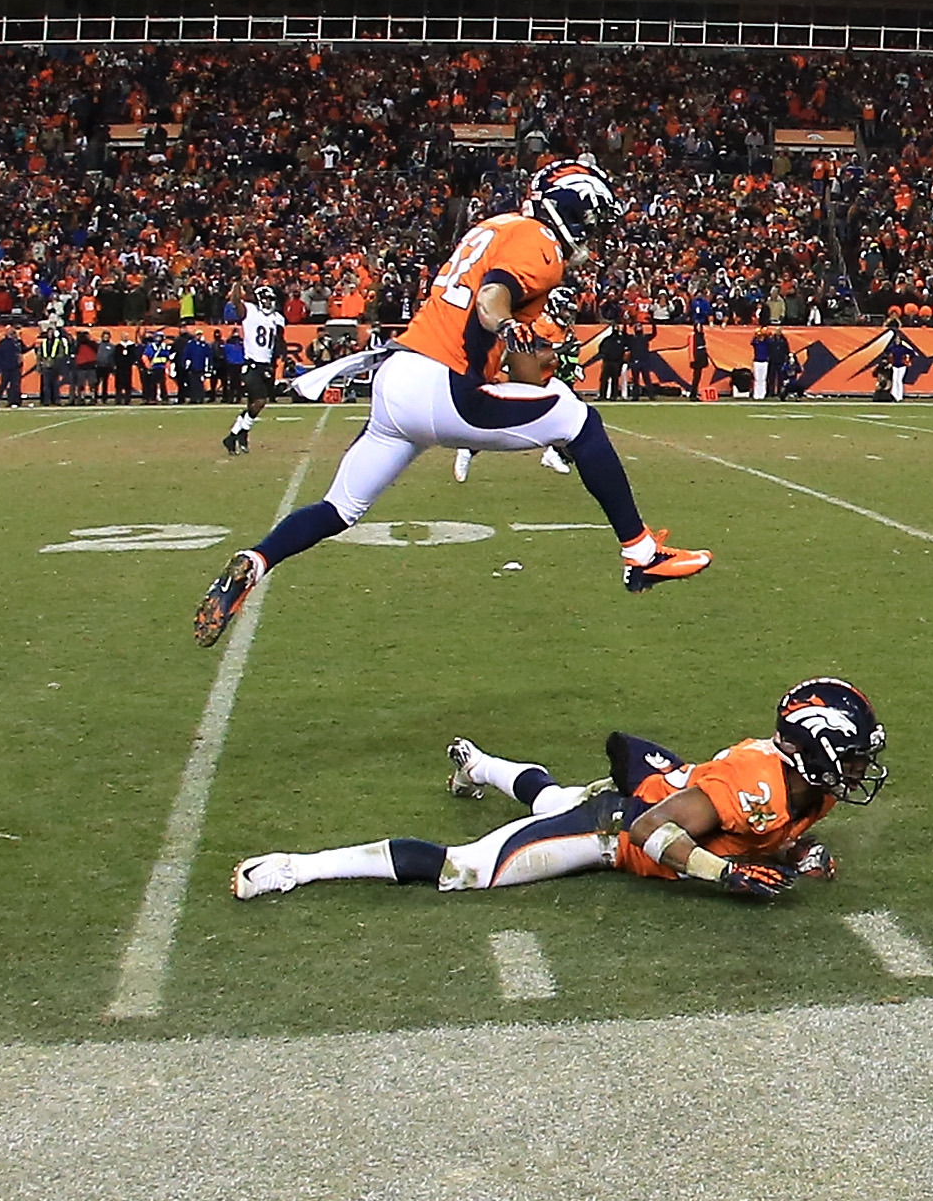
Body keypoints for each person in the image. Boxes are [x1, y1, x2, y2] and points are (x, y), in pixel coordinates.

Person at [192, 161, 711, 647]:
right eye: (592, 219)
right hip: (442, 386)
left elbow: (514, 358)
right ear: (573, 208)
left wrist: (523, 348)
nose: (592, 235)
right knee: (580, 419)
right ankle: (641, 553)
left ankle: (256, 560)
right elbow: (492, 298)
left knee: (339, 508)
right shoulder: (539, 242)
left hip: (397, 379)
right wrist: (506, 323)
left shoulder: (495, 227)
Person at [233, 678, 886, 904]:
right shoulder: (755, 782)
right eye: (852, 756)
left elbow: (761, 830)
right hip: (619, 828)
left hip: (649, 794)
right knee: (469, 869)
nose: (858, 770)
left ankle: (481, 765)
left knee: (555, 803)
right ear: (815, 751)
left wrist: (788, 855)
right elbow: (649, 831)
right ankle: (298, 868)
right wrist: (726, 875)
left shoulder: (811, 790)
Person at [223, 285, 289, 455]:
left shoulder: (278, 318)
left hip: (266, 365)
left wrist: (281, 357)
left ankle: (234, 436)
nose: (268, 302)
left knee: (253, 405)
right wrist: (237, 283)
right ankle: (239, 434)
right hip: (251, 364)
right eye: (265, 299)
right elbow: (236, 302)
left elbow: (279, 340)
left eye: (270, 299)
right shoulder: (250, 311)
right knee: (260, 401)